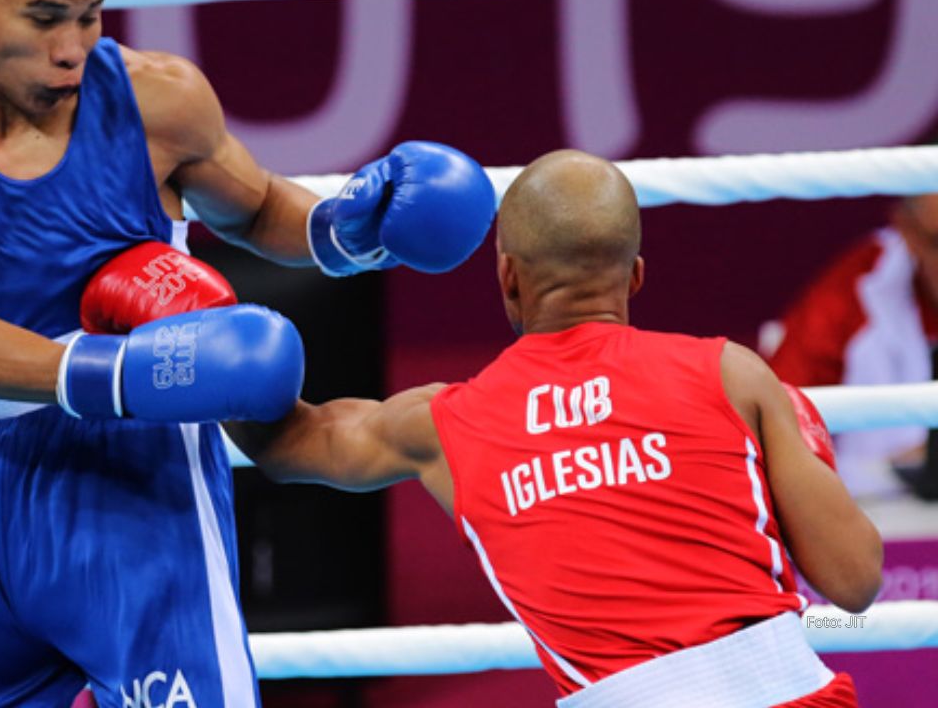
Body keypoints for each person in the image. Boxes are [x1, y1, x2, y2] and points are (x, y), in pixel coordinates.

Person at [0, 0, 497, 705]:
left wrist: (345, 233)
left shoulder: (158, 98)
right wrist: (124, 371)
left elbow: (258, 206)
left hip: (141, 479)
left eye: (90, 15)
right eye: (46, 18)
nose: (72, 47)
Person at [232, 149, 883, 706]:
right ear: (635, 276)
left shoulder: (443, 423)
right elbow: (854, 582)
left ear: (508, 278)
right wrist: (805, 452)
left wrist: (197, 336)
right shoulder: (733, 375)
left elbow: (292, 444)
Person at [762, 191, 938, 499]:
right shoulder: (856, 291)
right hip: (891, 518)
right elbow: (775, 422)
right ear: (907, 230)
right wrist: (894, 466)